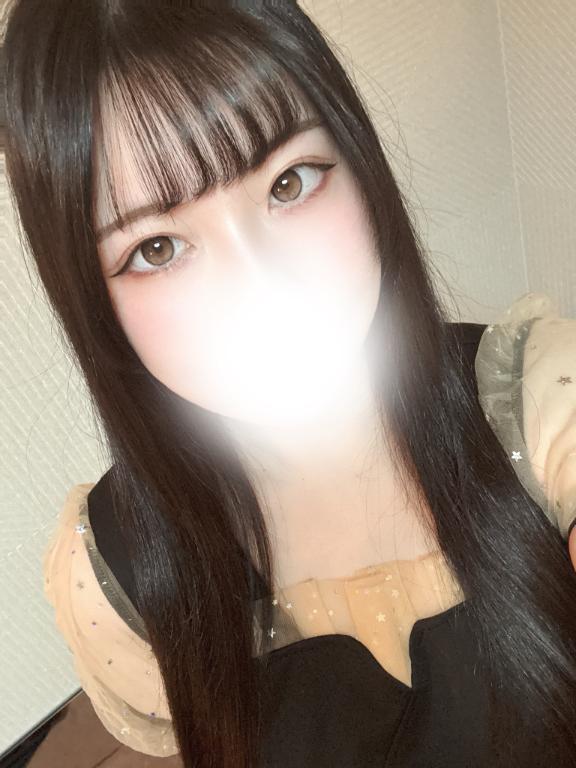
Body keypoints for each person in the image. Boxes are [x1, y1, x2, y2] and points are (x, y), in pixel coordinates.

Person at [3, 2, 576, 766]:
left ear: (359, 165)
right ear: (94, 303)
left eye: (289, 182)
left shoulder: (538, 400)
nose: (260, 286)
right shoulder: (117, 579)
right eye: (157, 247)